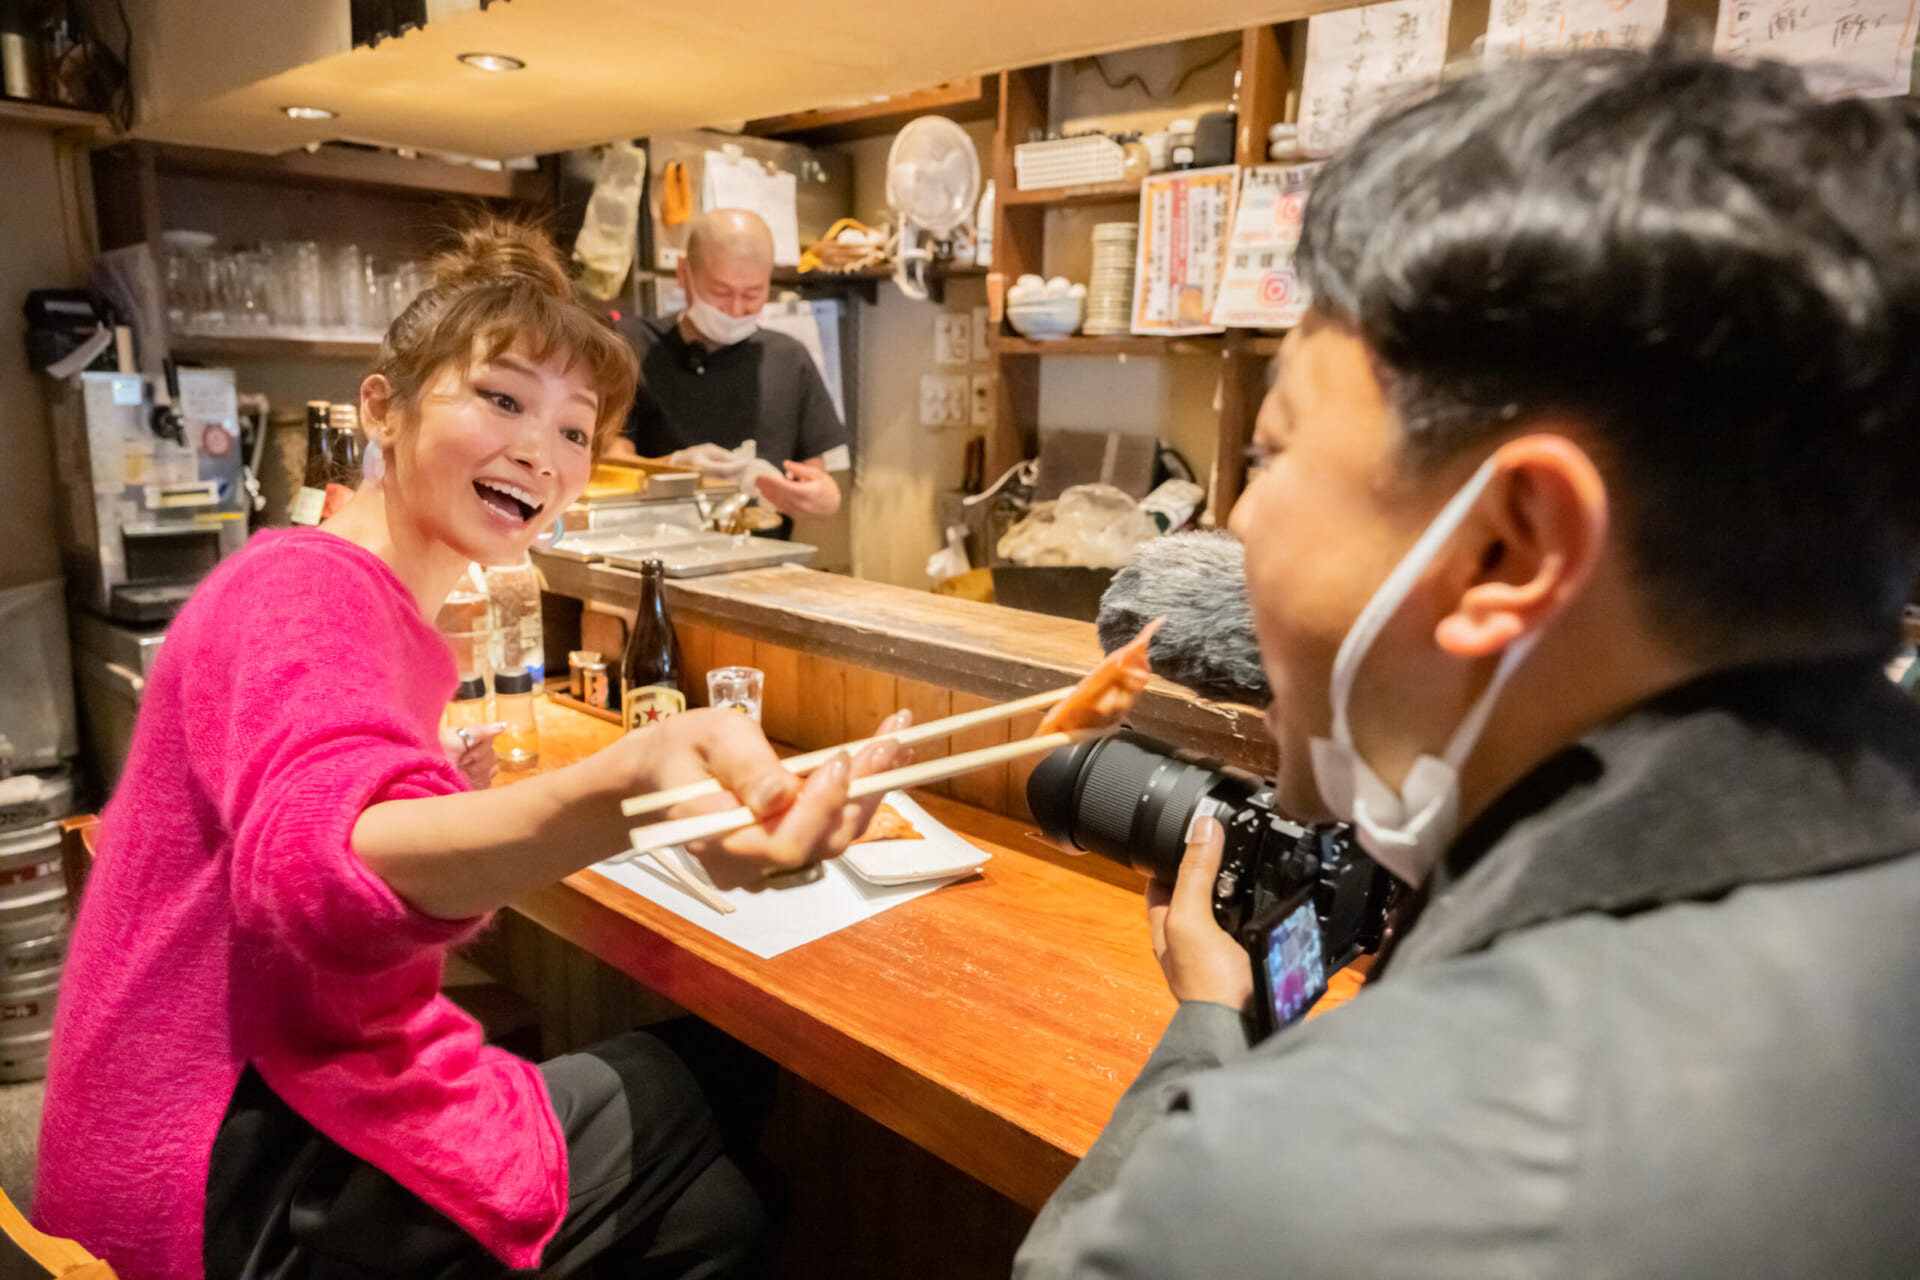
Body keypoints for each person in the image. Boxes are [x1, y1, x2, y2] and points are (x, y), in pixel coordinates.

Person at [1015, 47, 1920, 1278]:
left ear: (1511, 542)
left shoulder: (1323, 1181)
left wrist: (1205, 1031)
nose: (1236, 525)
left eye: (1270, 460)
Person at [34, 219, 907, 1280]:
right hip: (228, 1170)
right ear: (382, 409)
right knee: (721, 1077)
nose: (542, 451)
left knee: (725, 1208)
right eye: (500, 399)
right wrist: (627, 781)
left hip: (205, 1118)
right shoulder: (298, 590)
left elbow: (327, 789)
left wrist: (436, 788)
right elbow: (310, 863)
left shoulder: (359, 599)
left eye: (575, 429)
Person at [613, 208, 847, 533]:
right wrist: (675, 468)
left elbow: (811, 475)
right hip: (655, 551)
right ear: (684, 274)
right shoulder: (632, 347)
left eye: (753, 294)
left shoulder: (789, 359)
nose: (736, 310)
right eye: (720, 293)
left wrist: (822, 498)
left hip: (760, 563)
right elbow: (606, 463)